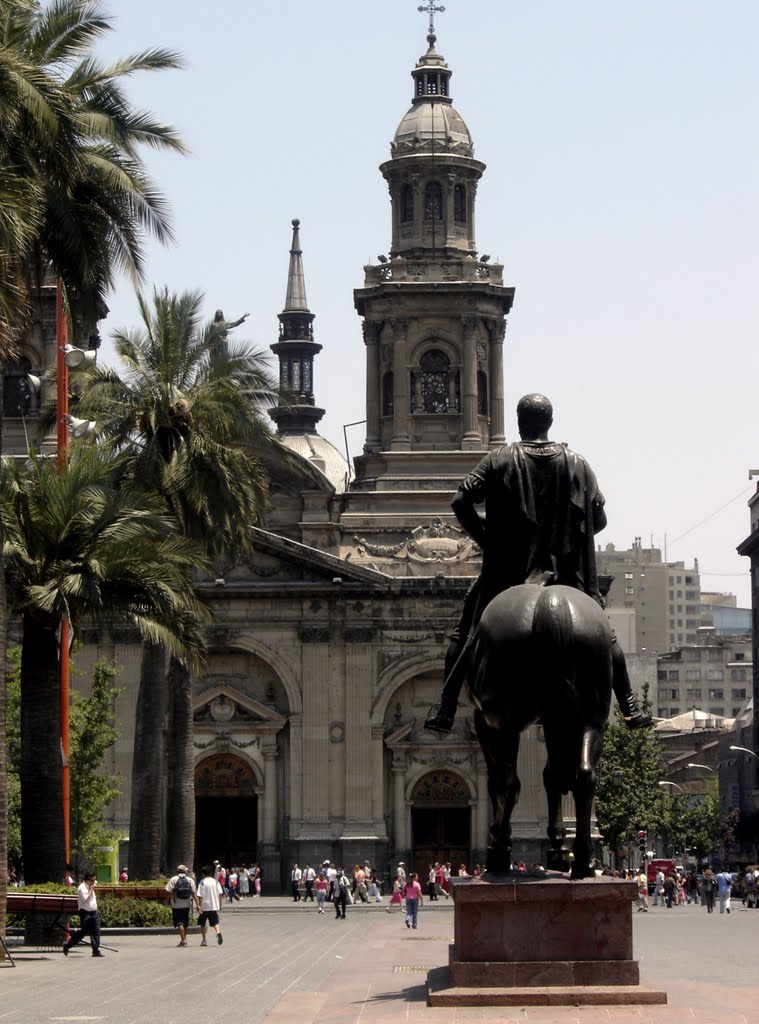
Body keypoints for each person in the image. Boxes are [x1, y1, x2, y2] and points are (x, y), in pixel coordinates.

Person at [424, 393, 651, 734]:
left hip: (507, 576)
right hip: (568, 575)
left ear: (520, 422)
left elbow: (460, 501)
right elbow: (598, 519)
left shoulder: (499, 459)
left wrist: (489, 541)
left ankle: (445, 704)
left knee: (465, 632)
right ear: (550, 422)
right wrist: (570, 539)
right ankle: (629, 704)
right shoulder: (577, 463)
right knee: (607, 636)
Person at [63, 870, 104, 957]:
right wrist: (91, 889)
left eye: (94, 880)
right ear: (87, 880)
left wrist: (92, 886)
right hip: (85, 912)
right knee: (83, 932)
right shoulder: (82, 888)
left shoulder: (90, 884)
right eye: (92, 881)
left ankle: (95, 950)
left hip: (93, 912)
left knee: (96, 931)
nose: (93, 882)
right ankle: (68, 945)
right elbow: (85, 898)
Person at [166, 864, 197, 947]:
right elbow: (194, 893)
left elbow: (169, 892)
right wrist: (198, 904)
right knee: (185, 923)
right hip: (187, 904)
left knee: (179, 923)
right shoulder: (190, 880)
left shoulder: (173, 879)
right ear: (185, 871)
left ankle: (183, 940)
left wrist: (167, 901)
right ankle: (184, 939)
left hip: (176, 905)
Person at [196, 864, 224, 945]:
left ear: (203, 874)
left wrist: (199, 906)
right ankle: (218, 932)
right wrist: (220, 905)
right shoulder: (216, 882)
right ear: (210, 873)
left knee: (202, 923)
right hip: (213, 906)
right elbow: (220, 894)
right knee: (215, 922)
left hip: (204, 906)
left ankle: (204, 940)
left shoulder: (202, 882)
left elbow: (200, 896)